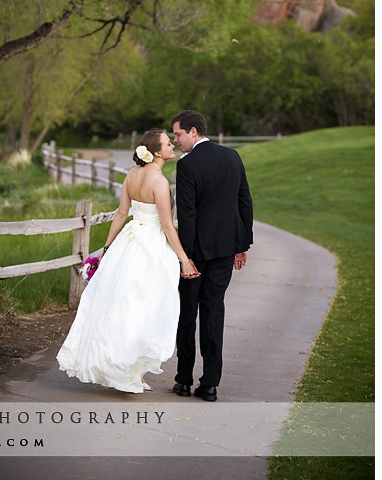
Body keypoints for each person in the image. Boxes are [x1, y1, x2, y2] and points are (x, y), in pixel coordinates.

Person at [56, 129, 199, 393]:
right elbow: (167, 227)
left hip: (129, 241)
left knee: (124, 306)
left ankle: (128, 370)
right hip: (152, 246)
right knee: (147, 309)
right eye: (168, 144)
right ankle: (133, 371)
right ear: (157, 152)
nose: (172, 146)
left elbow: (122, 214)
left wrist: (108, 248)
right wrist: (184, 260)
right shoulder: (159, 182)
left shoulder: (132, 175)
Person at [170, 110, 253, 402]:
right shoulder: (233, 156)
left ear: (194, 131)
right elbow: (244, 200)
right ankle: (210, 384)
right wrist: (242, 244)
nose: (175, 140)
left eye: (178, 134)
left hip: (196, 254)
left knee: (187, 316)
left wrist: (186, 257)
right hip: (225, 250)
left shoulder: (188, 165)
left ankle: (183, 380)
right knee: (214, 312)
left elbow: (188, 215)